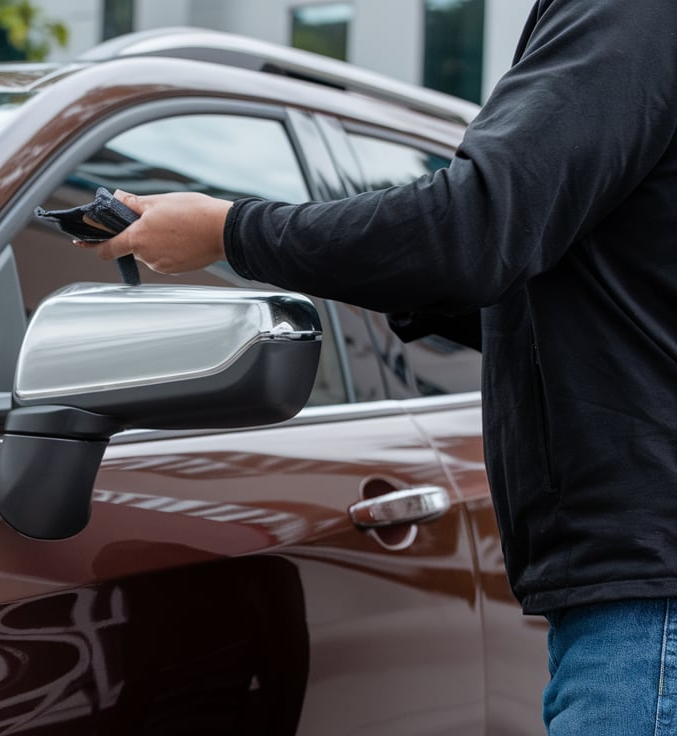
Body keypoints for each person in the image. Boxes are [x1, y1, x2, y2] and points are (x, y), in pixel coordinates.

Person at [81, 0, 677, 733]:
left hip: (651, 607)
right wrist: (404, 275)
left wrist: (228, 231)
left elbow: (473, 230)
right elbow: (598, 284)